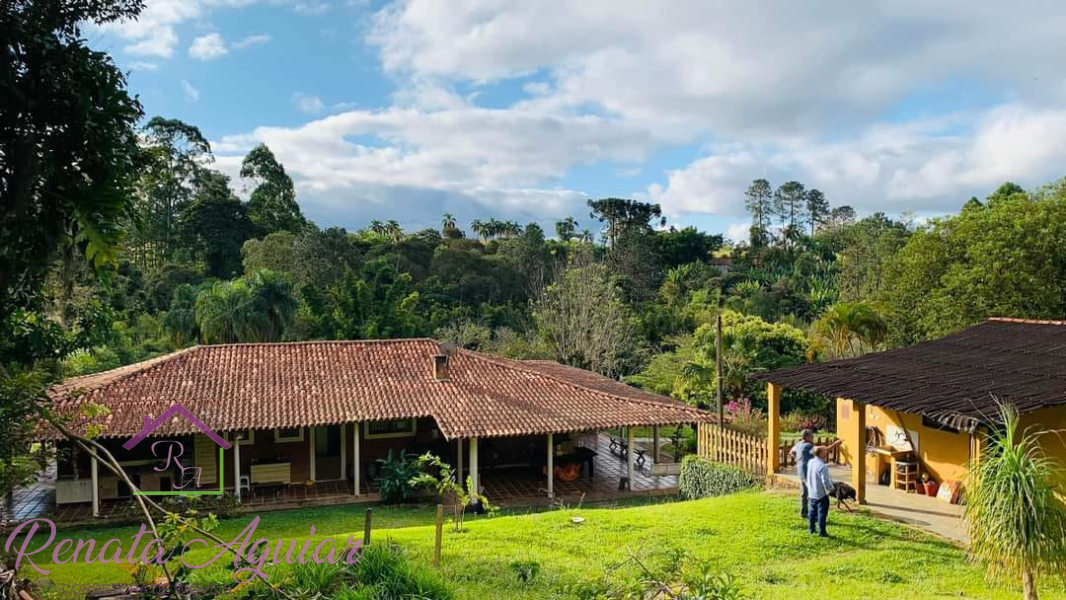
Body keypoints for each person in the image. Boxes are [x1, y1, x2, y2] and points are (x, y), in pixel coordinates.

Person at [790, 430, 841, 519]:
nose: (813, 437)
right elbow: (824, 450)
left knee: (804, 493)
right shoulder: (808, 446)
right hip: (808, 472)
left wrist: (798, 460)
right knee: (813, 493)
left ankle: (804, 513)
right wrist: (836, 444)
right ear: (807, 437)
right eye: (812, 436)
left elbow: (792, 452)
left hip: (801, 471)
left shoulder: (798, 444)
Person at [805, 446, 834, 537]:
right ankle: (822, 532)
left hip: (811, 492)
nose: (826, 452)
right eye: (825, 451)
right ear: (820, 453)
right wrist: (831, 489)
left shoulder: (810, 462)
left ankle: (811, 529)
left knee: (812, 512)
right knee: (822, 514)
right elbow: (825, 481)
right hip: (821, 494)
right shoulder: (822, 466)